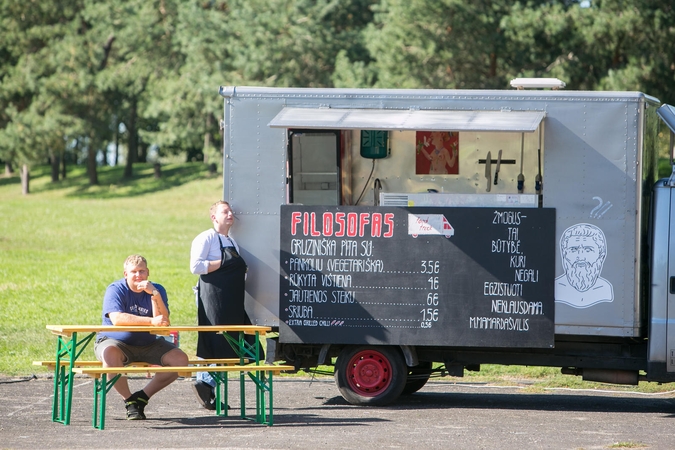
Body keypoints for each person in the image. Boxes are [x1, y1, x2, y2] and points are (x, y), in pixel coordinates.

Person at [94, 254, 189, 420]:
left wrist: (154, 295)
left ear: (148, 272)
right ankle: (129, 401)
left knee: (181, 360)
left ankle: (142, 397)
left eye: (142, 271)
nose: (138, 275)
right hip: (116, 342)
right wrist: (151, 321)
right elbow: (117, 319)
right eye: (134, 272)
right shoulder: (115, 289)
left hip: (148, 343)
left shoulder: (157, 289)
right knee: (110, 354)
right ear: (126, 274)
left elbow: (163, 321)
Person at [190, 200, 252, 410]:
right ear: (213, 217)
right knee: (214, 338)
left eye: (231, 211)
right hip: (213, 298)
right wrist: (224, 264)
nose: (230, 214)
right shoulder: (206, 237)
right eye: (225, 211)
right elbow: (195, 266)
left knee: (230, 342)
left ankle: (208, 387)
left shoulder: (232, 243)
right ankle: (204, 382)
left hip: (232, 300)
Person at [554, 223, 614, 308]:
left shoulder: (605, 288)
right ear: (564, 254)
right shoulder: (557, 286)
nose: (581, 257)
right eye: (573, 249)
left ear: (601, 255)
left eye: (588, 250)